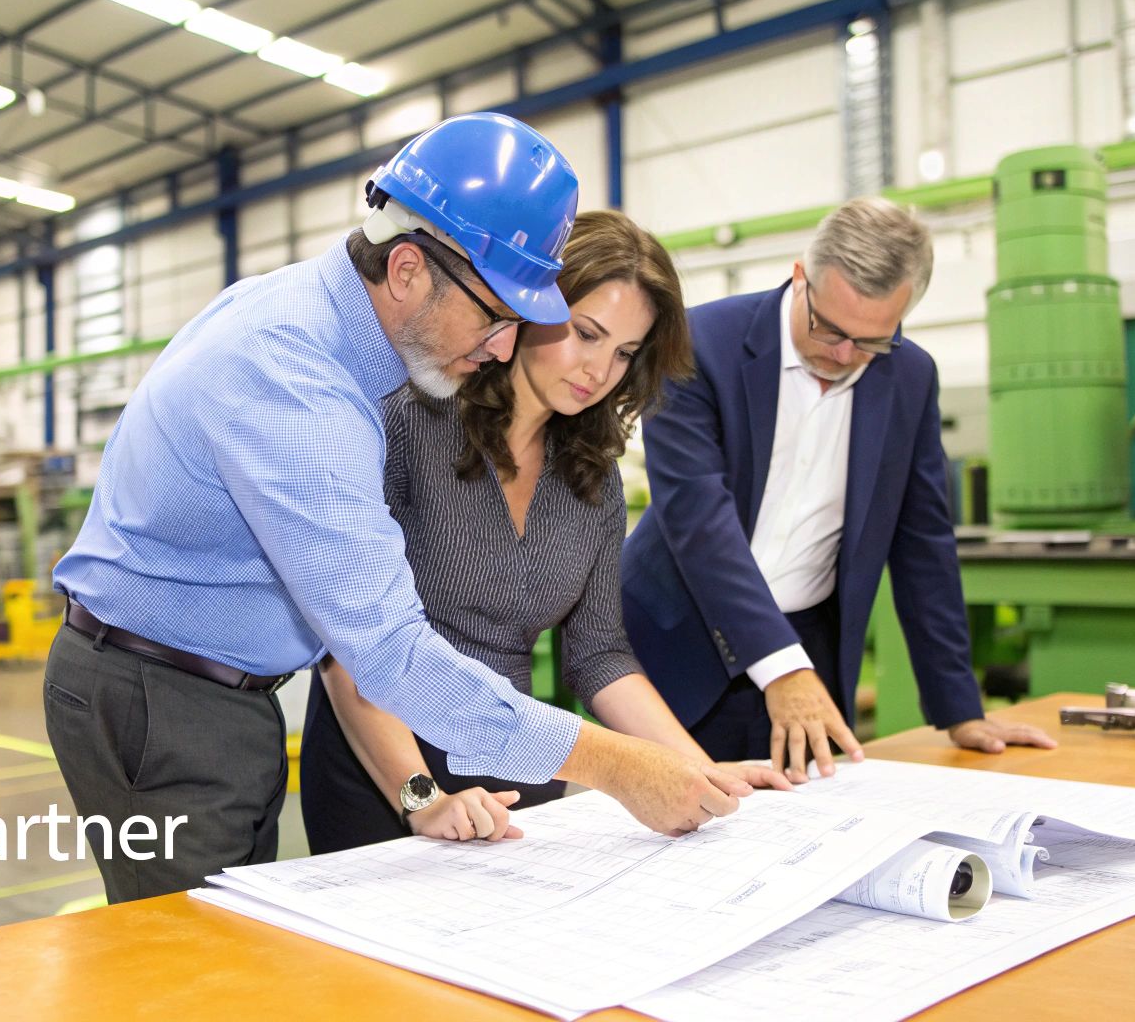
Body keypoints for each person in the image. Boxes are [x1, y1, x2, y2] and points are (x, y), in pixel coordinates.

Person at [45, 113, 755, 904]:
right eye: (494, 317)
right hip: (162, 699)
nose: (502, 346)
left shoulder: (329, 337)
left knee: (229, 939)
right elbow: (382, 651)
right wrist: (616, 765)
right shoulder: (299, 381)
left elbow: (591, 650)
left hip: (222, 694)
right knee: (188, 959)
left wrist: (681, 768)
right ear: (409, 268)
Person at [301, 210, 791, 854]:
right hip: (385, 772)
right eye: (585, 333)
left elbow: (599, 655)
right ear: (529, 307)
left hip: (515, 763)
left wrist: (699, 770)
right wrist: (422, 798)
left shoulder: (593, 476)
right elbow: (350, 647)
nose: (599, 370)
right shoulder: (407, 419)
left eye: (624, 353)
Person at [619, 197, 1057, 785]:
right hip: (679, 645)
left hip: (811, 649)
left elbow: (923, 540)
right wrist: (780, 668)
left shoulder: (910, 376)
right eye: (829, 329)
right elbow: (698, 520)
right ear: (801, 277)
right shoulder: (697, 343)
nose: (844, 356)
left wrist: (960, 708)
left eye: (872, 341)